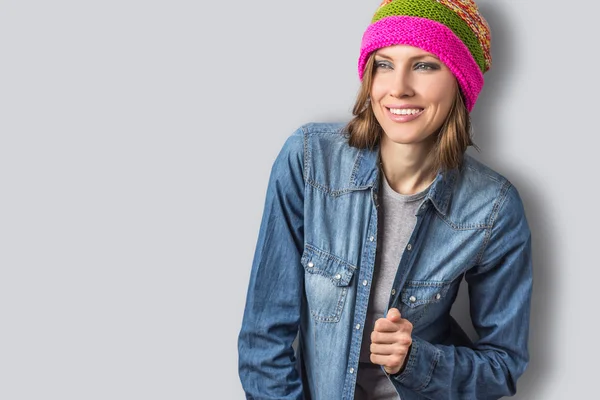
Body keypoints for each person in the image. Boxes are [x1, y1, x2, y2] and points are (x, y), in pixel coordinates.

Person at [238, 0, 532, 399]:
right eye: (384, 64)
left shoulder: (493, 208)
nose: (398, 88)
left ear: (460, 81)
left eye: (425, 64)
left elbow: (502, 367)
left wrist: (415, 360)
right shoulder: (308, 161)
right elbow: (263, 341)